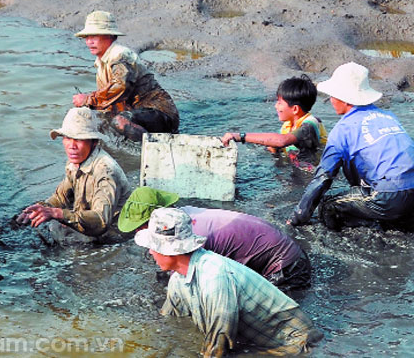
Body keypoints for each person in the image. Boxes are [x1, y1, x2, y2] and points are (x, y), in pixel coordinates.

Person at [135, 208, 323, 357]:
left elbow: (219, 342)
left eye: (153, 247)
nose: (150, 253)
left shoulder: (214, 275)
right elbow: (168, 322)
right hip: (260, 340)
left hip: (297, 344)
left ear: (169, 250)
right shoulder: (178, 279)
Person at [290, 62, 414, 230]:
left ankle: (373, 232)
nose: (331, 100)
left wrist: (298, 217)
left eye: (333, 95)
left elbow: (323, 178)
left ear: (344, 99)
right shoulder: (388, 116)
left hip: (389, 194)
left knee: (328, 207)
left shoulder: (343, 129)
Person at [119, 187, 311, 290]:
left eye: (142, 227)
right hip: (285, 251)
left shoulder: (193, 237)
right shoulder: (184, 217)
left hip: (287, 268)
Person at [16, 107, 132, 245]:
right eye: (67, 138)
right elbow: (61, 197)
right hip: (89, 225)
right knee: (31, 225)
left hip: (111, 234)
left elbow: (101, 221)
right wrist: (40, 208)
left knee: (52, 234)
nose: (72, 146)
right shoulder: (76, 162)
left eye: (79, 139)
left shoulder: (106, 171)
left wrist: (57, 214)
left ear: (94, 142)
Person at [72, 10, 179, 142]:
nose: (89, 42)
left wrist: (89, 99)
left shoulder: (120, 55)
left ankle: (155, 148)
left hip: (160, 113)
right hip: (137, 115)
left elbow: (120, 86)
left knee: (119, 122)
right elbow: (110, 100)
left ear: (109, 36)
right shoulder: (101, 62)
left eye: (94, 36)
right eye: (87, 37)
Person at [221, 75, 327, 171]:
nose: (276, 106)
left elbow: (281, 141)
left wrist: (241, 136)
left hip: (315, 174)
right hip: (296, 169)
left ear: (295, 109)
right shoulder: (288, 125)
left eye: (280, 103)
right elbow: (276, 145)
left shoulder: (310, 125)